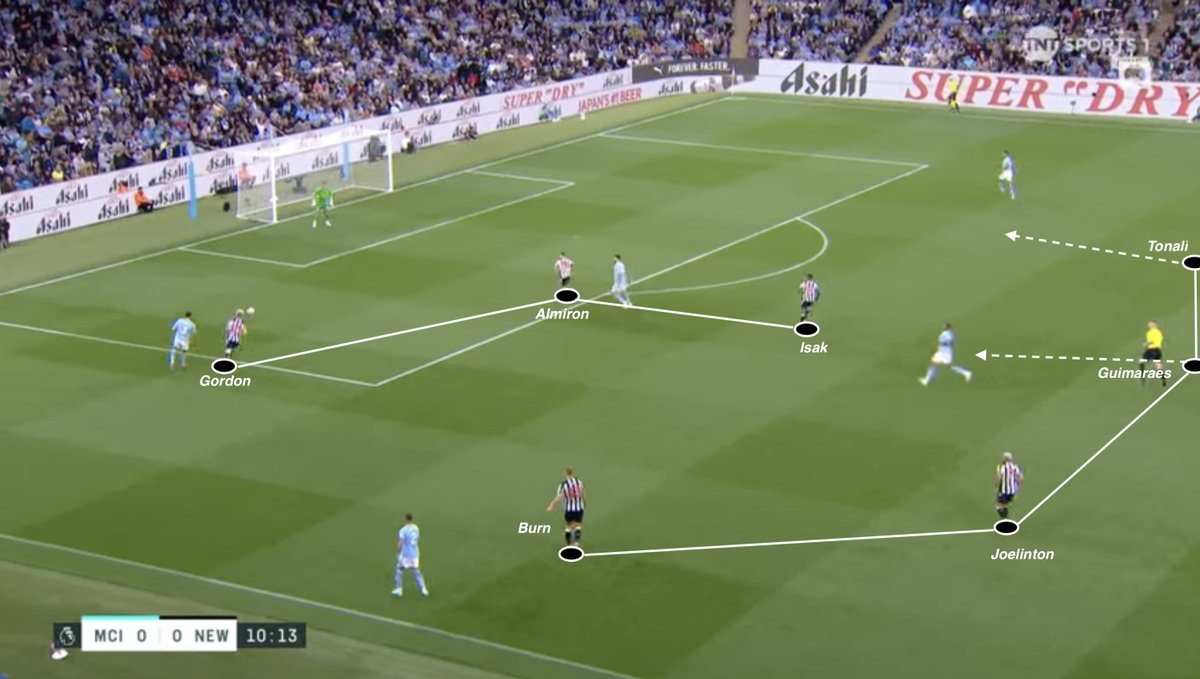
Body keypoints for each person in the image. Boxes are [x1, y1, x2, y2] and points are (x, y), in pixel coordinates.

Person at [391, 513, 429, 597]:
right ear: (412, 519)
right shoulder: (416, 528)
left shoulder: (403, 530)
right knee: (416, 571)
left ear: (405, 519)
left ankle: (399, 589)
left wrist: (398, 550)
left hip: (406, 555)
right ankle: (423, 589)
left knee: (399, 570)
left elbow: (401, 543)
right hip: (415, 554)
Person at [547, 467, 586, 546]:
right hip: (579, 507)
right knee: (578, 525)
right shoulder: (579, 482)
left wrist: (551, 506)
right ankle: (576, 542)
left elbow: (558, 498)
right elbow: (582, 493)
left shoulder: (563, 485)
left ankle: (569, 544)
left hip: (569, 509)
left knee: (568, 526)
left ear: (565, 473)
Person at [995, 452, 1024, 519]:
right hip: (1013, 491)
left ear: (1005, 459)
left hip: (1004, 491)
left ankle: (1003, 517)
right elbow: (1021, 478)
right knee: (1005, 503)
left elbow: (998, 477)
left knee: (999, 504)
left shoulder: (1001, 467)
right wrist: (1018, 485)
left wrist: (996, 485)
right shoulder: (1015, 467)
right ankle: (1004, 510)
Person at [1141, 320, 1166, 387]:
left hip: (1152, 350)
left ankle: (1142, 379)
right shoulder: (1158, 332)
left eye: (1150, 324)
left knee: (1142, 362)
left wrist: (1146, 343)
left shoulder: (1152, 332)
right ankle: (1163, 379)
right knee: (1158, 364)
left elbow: (1152, 340)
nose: (1149, 325)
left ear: (1154, 325)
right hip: (1157, 350)